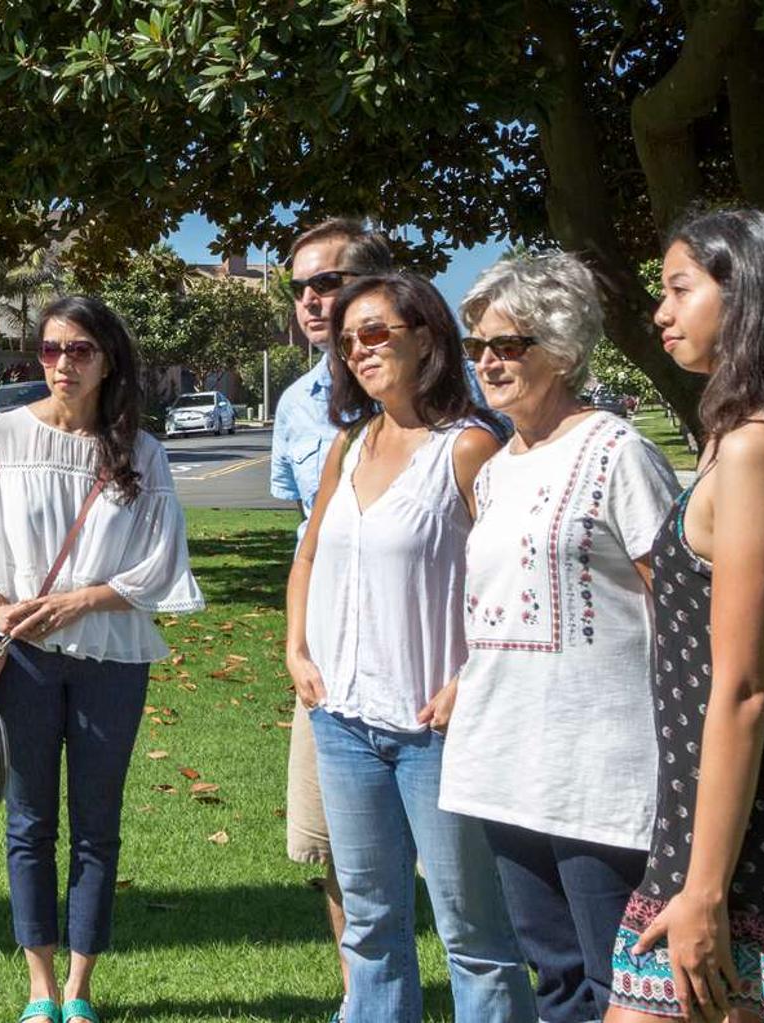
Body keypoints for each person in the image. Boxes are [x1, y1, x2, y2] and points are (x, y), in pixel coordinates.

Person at [0, 295, 205, 1023]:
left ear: (109, 359)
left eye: (79, 350)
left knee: (97, 822)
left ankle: (80, 990)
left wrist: (79, 601)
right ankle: (39, 988)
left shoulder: (140, 451)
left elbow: (159, 564)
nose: (61, 364)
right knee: (29, 820)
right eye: (48, 350)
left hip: (111, 655)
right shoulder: (1, 435)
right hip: (23, 659)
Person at [606, 208, 764, 1023]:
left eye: (680, 289)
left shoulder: (757, 448)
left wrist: (704, 889)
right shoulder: (748, 437)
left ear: (743, 297)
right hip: (716, 820)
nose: (660, 313)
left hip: (750, 846)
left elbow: (743, 685)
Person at [434, 251, 680, 1022]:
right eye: (479, 347)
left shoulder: (618, 451)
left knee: (628, 988)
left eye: (511, 344)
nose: (489, 363)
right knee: (558, 980)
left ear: (565, 347)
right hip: (507, 762)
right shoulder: (497, 467)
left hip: (601, 770)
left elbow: (678, 610)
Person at [283, 271, 536, 1022]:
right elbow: (307, 555)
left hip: (437, 731)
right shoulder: (352, 444)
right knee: (369, 926)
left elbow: (517, 581)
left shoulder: (470, 448)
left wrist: (471, 676)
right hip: (344, 723)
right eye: (346, 338)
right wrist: (297, 649)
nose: (356, 348)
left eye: (375, 332)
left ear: (426, 338)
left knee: (473, 934)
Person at [267, 217, 396, 1014]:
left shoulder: (457, 391)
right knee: (333, 844)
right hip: (327, 657)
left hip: (426, 651)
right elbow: (301, 536)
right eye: (300, 287)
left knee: (463, 853)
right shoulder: (294, 405)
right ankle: (362, 997)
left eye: (328, 281)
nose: (312, 300)